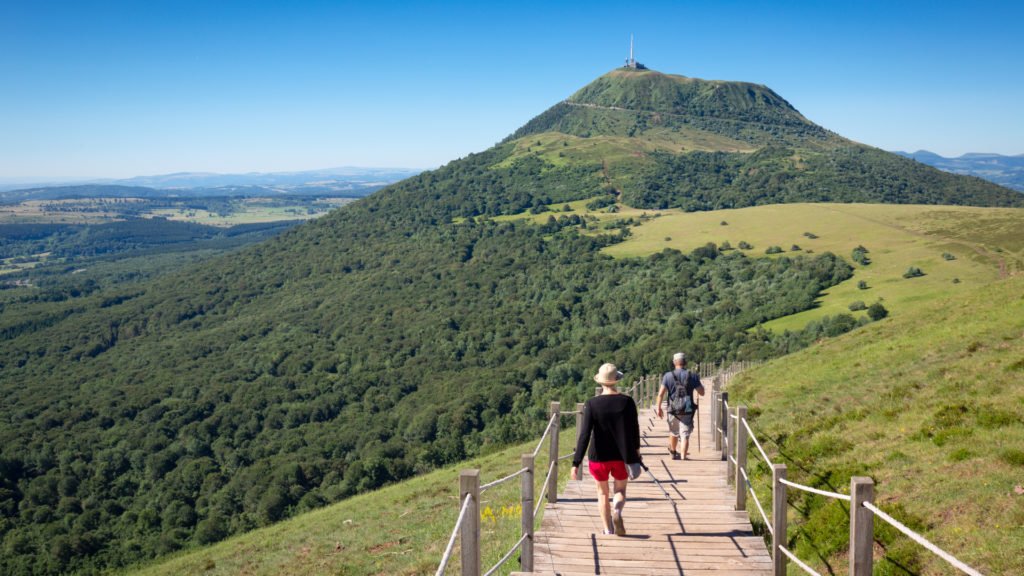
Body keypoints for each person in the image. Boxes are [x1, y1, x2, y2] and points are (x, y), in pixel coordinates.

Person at [570, 363, 641, 536]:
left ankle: (608, 529)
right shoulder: (627, 402)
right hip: (621, 455)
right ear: (616, 380)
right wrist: (636, 452)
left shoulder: (592, 404)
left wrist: (576, 462)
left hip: (598, 457)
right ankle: (617, 511)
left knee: (602, 494)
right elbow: (634, 429)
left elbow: (585, 434)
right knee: (620, 490)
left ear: (601, 382)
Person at [656, 352, 705, 460]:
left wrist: (658, 408)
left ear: (674, 363)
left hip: (672, 408)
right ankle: (683, 457)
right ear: (685, 362)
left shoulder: (667, 376)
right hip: (687, 408)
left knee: (673, 432)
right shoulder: (692, 375)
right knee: (685, 434)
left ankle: (673, 452)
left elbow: (660, 394)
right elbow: (702, 392)